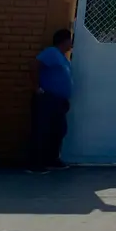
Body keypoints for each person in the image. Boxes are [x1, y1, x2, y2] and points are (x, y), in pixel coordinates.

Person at [28, 29, 74, 174]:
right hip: (47, 98)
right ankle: (35, 163)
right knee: (42, 130)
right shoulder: (51, 52)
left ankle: (51, 159)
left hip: (59, 101)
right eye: (70, 39)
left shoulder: (62, 57)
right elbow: (35, 65)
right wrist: (36, 87)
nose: (72, 43)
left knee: (59, 130)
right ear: (64, 40)